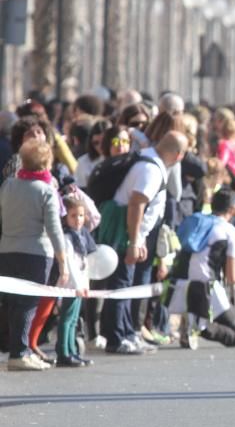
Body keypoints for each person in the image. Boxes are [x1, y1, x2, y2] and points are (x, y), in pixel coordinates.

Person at [99, 131, 188, 355]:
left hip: (132, 231)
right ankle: (117, 337)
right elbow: (136, 204)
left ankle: (128, 333)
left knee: (127, 283)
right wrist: (134, 240)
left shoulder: (149, 158)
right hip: (124, 231)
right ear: (178, 155)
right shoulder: (151, 169)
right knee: (122, 284)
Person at [0, 140, 68, 371]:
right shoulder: (46, 190)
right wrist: (63, 260)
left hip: (7, 250)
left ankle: (19, 350)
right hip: (36, 252)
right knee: (28, 304)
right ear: (47, 162)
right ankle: (20, 353)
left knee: (11, 303)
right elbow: (54, 228)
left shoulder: (8, 185)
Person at [175, 187, 235, 349]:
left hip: (177, 282)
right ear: (232, 210)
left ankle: (194, 319)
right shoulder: (230, 232)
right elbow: (231, 277)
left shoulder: (194, 220)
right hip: (205, 287)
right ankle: (200, 327)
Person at [55, 195, 95, 367]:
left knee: (73, 319)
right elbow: (70, 263)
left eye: (81, 215)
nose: (78, 220)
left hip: (80, 283)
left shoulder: (81, 236)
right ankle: (64, 353)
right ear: (66, 217)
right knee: (67, 318)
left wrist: (85, 284)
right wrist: (78, 285)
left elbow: (83, 263)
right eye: (73, 216)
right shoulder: (67, 238)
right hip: (71, 284)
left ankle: (72, 351)